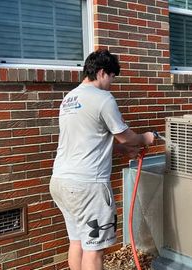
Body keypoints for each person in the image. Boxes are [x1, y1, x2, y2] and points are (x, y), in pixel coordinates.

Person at [50, 49, 156, 270]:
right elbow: (125, 136)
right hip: (88, 187)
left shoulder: (69, 98)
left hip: (61, 182)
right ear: (101, 72)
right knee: (94, 249)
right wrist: (145, 138)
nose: (112, 83)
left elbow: (87, 140)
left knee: (78, 241)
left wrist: (121, 151)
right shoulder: (102, 98)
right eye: (112, 76)